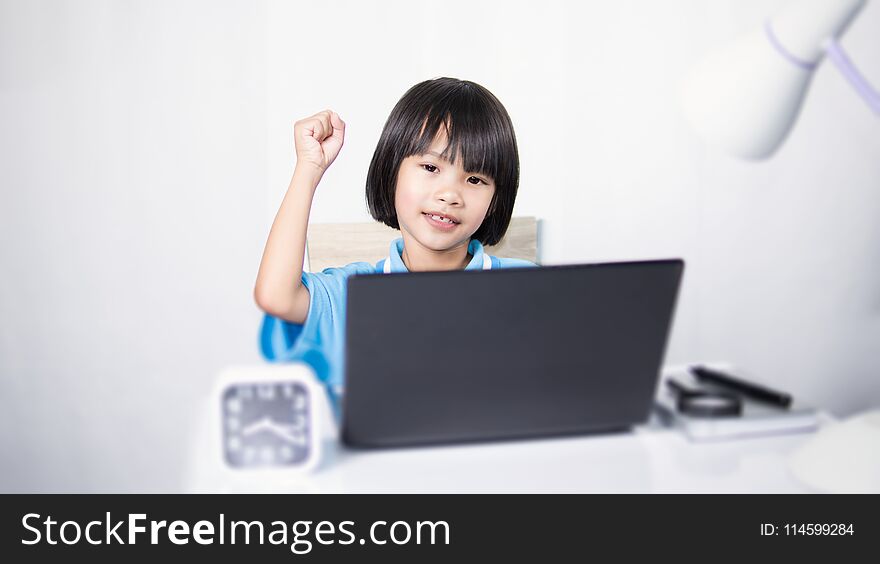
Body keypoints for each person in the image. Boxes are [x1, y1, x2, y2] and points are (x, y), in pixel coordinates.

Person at [254, 77, 535, 398]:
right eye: (430, 167)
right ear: (392, 171)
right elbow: (276, 296)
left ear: (495, 199)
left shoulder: (526, 288)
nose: (449, 194)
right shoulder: (352, 295)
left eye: (474, 178)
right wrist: (309, 167)